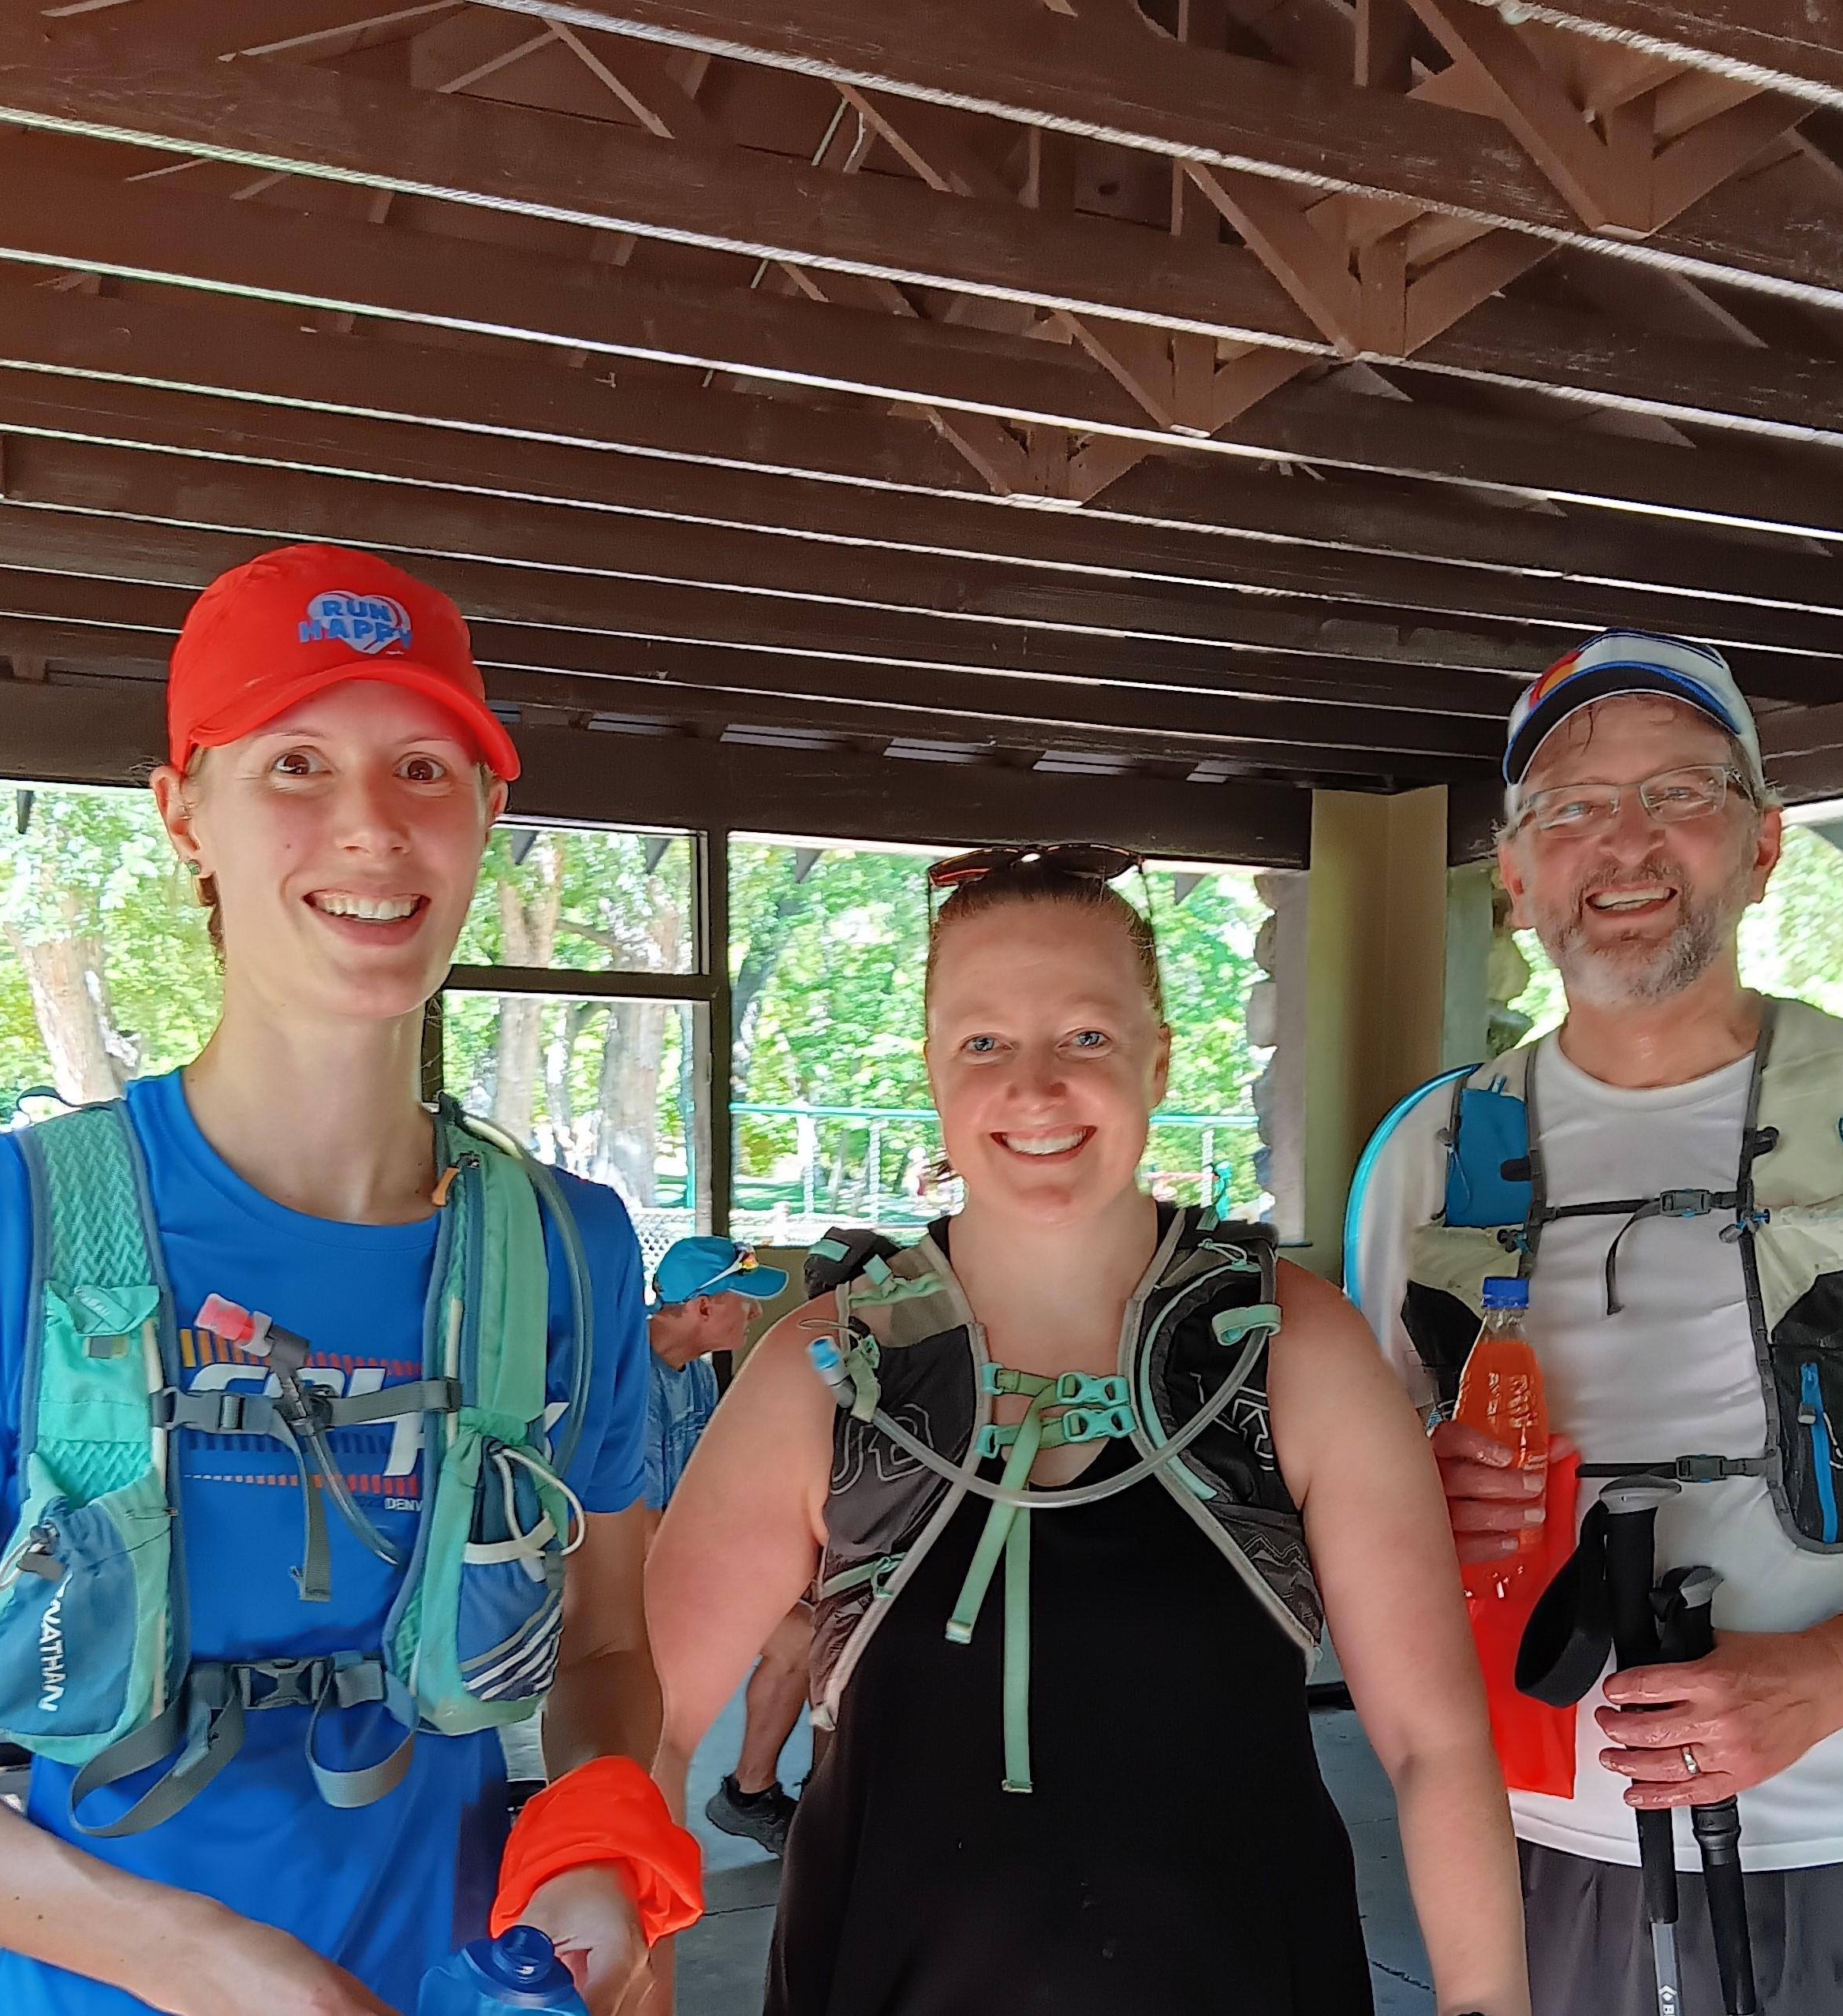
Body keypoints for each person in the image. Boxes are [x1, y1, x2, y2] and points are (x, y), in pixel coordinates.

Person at [0, 545, 677, 2016]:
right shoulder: (3, 1227)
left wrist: (596, 1868)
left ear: (487, 814)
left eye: (422, 765)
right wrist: (203, 1964)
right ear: (181, 812)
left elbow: (603, 1648)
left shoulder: (569, 1251)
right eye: (293, 763)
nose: (370, 829)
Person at [1352, 631, 1843, 2015]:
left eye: (1682, 792)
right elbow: (1350, 1516)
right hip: (1531, 1847)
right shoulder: (1432, 1152)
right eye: (1572, 805)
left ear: (1764, 845)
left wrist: (1841, 1670)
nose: (1627, 842)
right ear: (1517, 873)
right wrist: (1420, 1493)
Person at [647, 844, 1530, 2016]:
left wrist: (1487, 2001)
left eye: (1086, 1037)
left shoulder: (1292, 1352)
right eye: (984, 1043)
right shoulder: (824, 1369)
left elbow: (1431, 1741)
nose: (1036, 1086)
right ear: (933, 1068)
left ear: (1157, 1057)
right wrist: (625, 1974)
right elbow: (647, 1722)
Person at [639, 1236, 811, 1857]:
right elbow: (640, 1528)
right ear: (703, 1307)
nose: (756, 1312)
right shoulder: (635, 1381)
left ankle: (751, 1792)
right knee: (796, 1642)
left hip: (682, 1554)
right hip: (636, 1570)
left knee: (809, 1634)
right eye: (746, 1299)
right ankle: (726, 1806)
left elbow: (716, 1490)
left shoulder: (698, 1374)